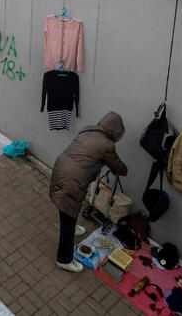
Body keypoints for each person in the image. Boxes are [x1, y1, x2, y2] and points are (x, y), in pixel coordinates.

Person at [49, 111, 128, 272]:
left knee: (66, 207)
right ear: (115, 132)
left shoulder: (88, 130)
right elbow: (119, 167)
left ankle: (72, 227)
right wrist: (124, 169)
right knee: (68, 215)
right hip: (72, 181)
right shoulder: (107, 145)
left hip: (61, 170)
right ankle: (64, 259)